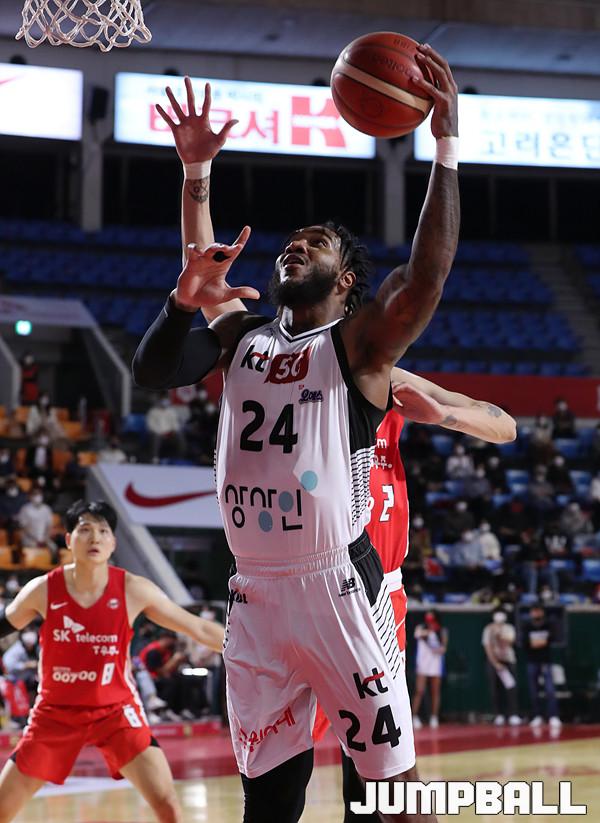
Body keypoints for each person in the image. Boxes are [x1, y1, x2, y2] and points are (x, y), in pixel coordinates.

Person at [134, 65, 516, 823]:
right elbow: (196, 280)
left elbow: (426, 277)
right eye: (291, 242)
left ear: (346, 282)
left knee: (388, 798)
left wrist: (445, 146)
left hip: (338, 584)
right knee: (269, 802)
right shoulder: (242, 337)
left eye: (316, 244)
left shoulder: (360, 351)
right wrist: (196, 173)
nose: (295, 247)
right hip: (254, 593)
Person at [0, 499, 224, 823]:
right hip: (55, 713)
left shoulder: (133, 589)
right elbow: (4, 624)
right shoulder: (43, 590)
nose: (95, 538)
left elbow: (198, 627)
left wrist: (252, 649)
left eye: (103, 531)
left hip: (116, 712)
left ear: (113, 542)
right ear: (68, 540)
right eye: (85, 530)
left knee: (168, 806)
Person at [522, 604, 561, 728]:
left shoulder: (548, 625)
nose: (536, 613)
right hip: (532, 661)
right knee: (534, 691)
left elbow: (551, 639)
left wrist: (537, 643)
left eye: (538, 611)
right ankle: (537, 716)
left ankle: (553, 716)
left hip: (546, 661)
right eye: (534, 611)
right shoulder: (527, 626)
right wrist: (540, 642)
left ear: (542, 612)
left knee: (550, 690)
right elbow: (526, 643)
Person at [482, 609, 521, 726]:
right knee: (494, 689)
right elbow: (487, 646)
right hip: (493, 661)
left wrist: (499, 633)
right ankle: (498, 715)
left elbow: (508, 643)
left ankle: (513, 714)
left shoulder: (509, 628)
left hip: (508, 661)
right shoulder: (488, 629)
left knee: (511, 688)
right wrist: (495, 663)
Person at [411, 611, 448, 729]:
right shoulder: (421, 628)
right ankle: (414, 717)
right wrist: (429, 632)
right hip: (422, 664)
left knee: (435, 691)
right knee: (419, 690)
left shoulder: (441, 631)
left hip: (435, 665)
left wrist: (438, 648)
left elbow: (443, 648)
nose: (430, 620)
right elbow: (417, 634)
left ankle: (434, 717)